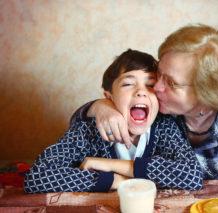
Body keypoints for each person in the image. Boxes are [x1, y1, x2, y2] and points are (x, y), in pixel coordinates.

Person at [71, 24, 218, 180]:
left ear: (206, 93)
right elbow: (83, 120)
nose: (156, 88)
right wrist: (99, 107)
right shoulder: (160, 108)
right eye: (160, 74)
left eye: (172, 83)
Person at [24, 49, 202, 193]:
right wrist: (114, 180)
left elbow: (192, 176)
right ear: (108, 98)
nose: (141, 91)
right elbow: (37, 177)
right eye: (128, 84)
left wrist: (107, 164)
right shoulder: (87, 131)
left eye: (150, 85)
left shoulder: (165, 126)